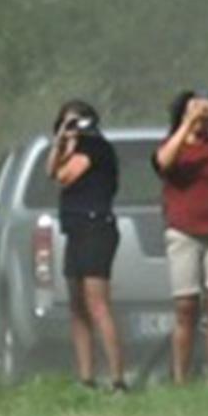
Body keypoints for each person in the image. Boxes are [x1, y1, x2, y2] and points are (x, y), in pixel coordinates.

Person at [154, 90, 208, 385]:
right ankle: (181, 377)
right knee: (186, 305)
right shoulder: (173, 144)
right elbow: (164, 162)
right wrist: (187, 124)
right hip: (183, 231)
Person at [49, 100, 128, 390]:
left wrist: (70, 146)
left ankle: (118, 378)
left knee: (97, 303)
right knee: (77, 305)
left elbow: (65, 175)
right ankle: (86, 377)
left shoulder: (97, 148)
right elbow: (51, 171)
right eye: (67, 123)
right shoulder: (68, 147)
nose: (74, 129)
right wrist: (60, 143)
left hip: (96, 227)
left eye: (78, 122)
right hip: (76, 229)